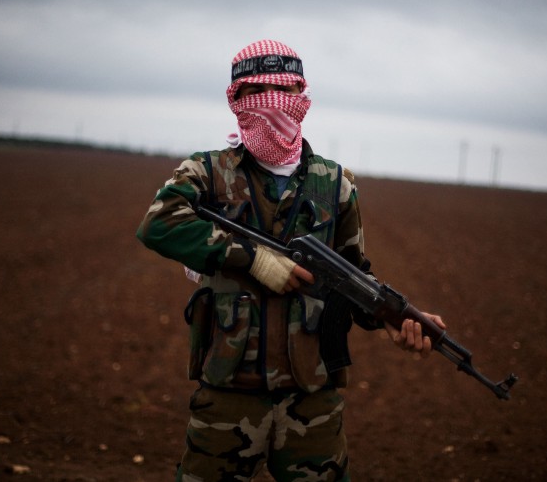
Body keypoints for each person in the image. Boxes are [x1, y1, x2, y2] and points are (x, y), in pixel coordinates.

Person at [136, 39, 446, 481]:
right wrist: (251, 259)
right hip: (228, 392)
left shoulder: (335, 185)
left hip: (312, 401)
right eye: (255, 92)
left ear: (301, 96)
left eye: (282, 90)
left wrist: (394, 321)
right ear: (235, 100)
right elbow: (157, 224)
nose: (271, 103)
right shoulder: (207, 172)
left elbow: (354, 275)